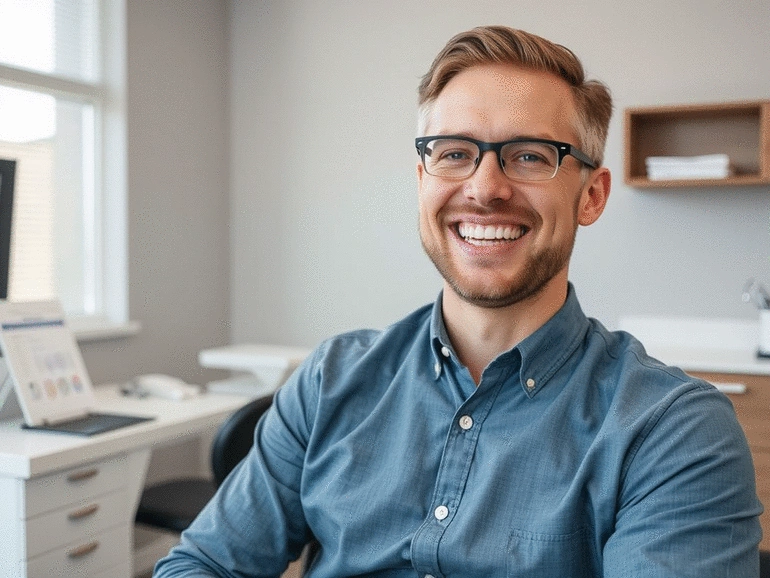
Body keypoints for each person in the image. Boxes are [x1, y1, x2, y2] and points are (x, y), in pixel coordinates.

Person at [154, 25, 762, 577]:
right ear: (423, 182)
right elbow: (201, 564)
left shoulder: (672, 431)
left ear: (591, 196)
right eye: (453, 153)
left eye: (529, 155)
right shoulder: (330, 382)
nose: (484, 188)